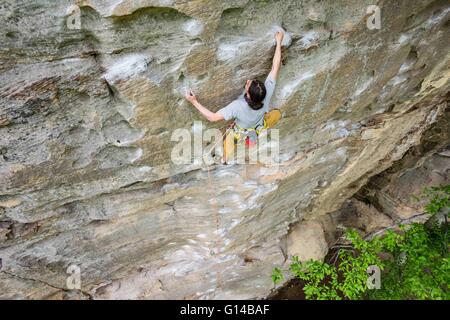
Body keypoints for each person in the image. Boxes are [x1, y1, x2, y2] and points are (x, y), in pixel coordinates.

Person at [185, 30, 284, 163]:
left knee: (228, 147)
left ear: (247, 94)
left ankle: (224, 160)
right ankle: (252, 140)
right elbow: (275, 67)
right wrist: (279, 42)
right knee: (276, 114)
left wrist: (194, 101)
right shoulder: (266, 92)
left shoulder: (237, 106)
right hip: (259, 124)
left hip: (240, 129)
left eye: (249, 84)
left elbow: (212, 117)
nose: (248, 81)